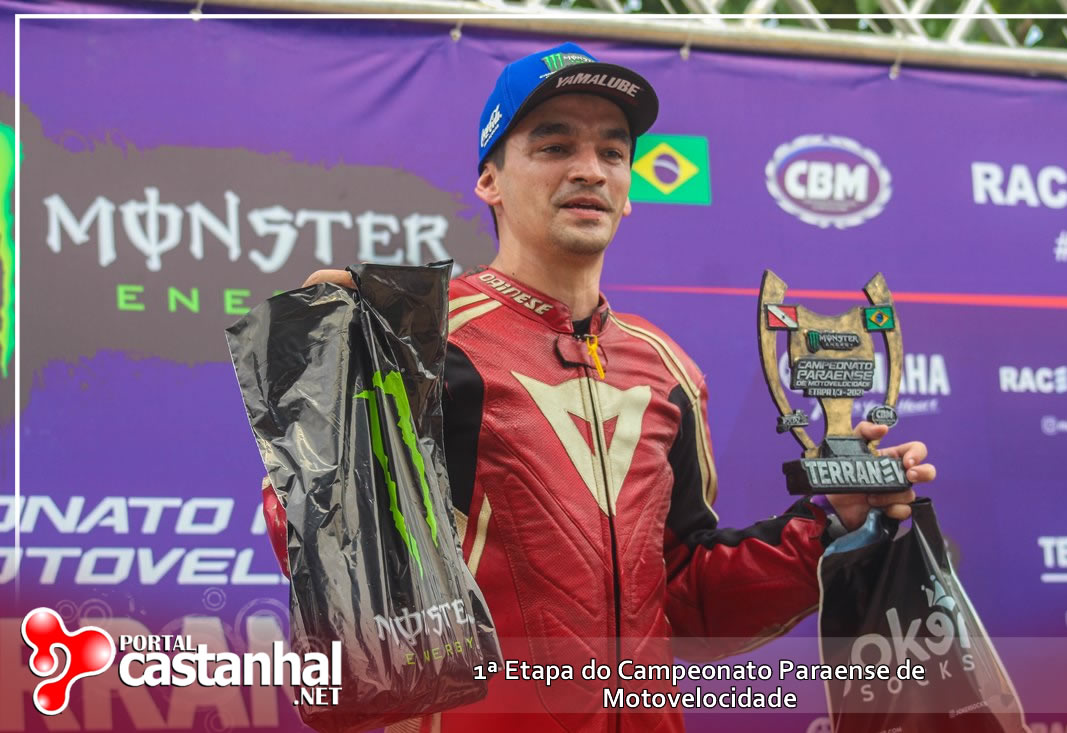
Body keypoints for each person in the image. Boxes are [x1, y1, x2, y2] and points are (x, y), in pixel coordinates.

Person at [262, 42, 936, 733]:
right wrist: (336, 398)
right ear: (490, 181)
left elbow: (686, 597)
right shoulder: (417, 339)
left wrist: (832, 526)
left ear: (629, 188)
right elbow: (326, 562)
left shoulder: (667, 367)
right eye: (554, 146)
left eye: (612, 152)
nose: (589, 169)